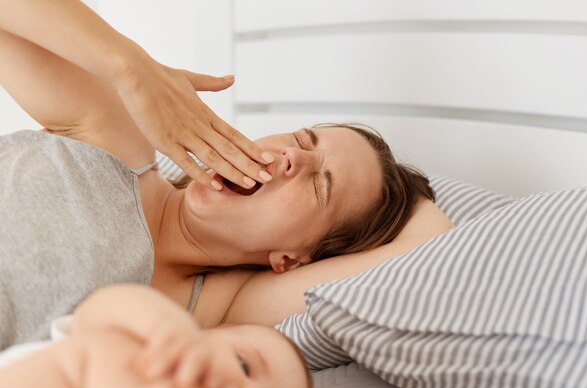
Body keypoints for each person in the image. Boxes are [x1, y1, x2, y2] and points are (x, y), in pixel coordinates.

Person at [0, 1, 455, 348]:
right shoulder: (115, 140)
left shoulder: (219, 311)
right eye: (300, 141)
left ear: (293, 260)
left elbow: (432, 243)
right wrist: (131, 69)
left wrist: (404, 195)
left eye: (321, 185)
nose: (292, 159)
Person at [0, 284, 311, 388]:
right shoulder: (136, 339)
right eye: (245, 366)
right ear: (204, 333)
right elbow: (97, 308)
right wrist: (169, 325)